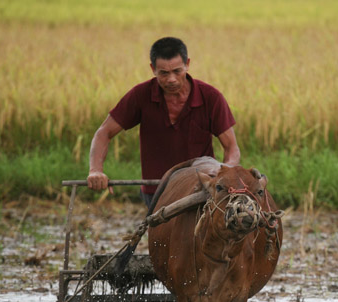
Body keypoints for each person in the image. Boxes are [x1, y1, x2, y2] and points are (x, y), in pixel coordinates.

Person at [87, 36, 240, 208]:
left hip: (198, 191)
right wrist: (95, 171)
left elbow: (232, 148)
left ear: (187, 64)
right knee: (161, 236)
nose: (171, 79)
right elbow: (103, 133)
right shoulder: (141, 95)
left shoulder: (211, 98)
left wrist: (224, 176)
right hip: (157, 192)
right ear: (153, 69)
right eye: (164, 73)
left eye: (177, 71)